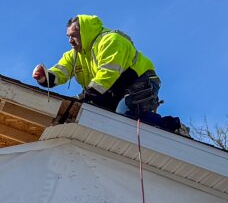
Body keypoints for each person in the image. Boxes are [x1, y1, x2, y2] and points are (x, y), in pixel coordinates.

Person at [33, 15, 183, 134]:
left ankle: (173, 127)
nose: (70, 41)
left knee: (124, 115)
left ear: (84, 32)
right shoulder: (74, 55)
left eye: (73, 35)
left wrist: (84, 98)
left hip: (141, 81)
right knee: (96, 119)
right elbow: (60, 72)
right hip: (112, 90)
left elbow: (108, 73)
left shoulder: (110, 41)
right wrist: (44, 77)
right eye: (68, 37)